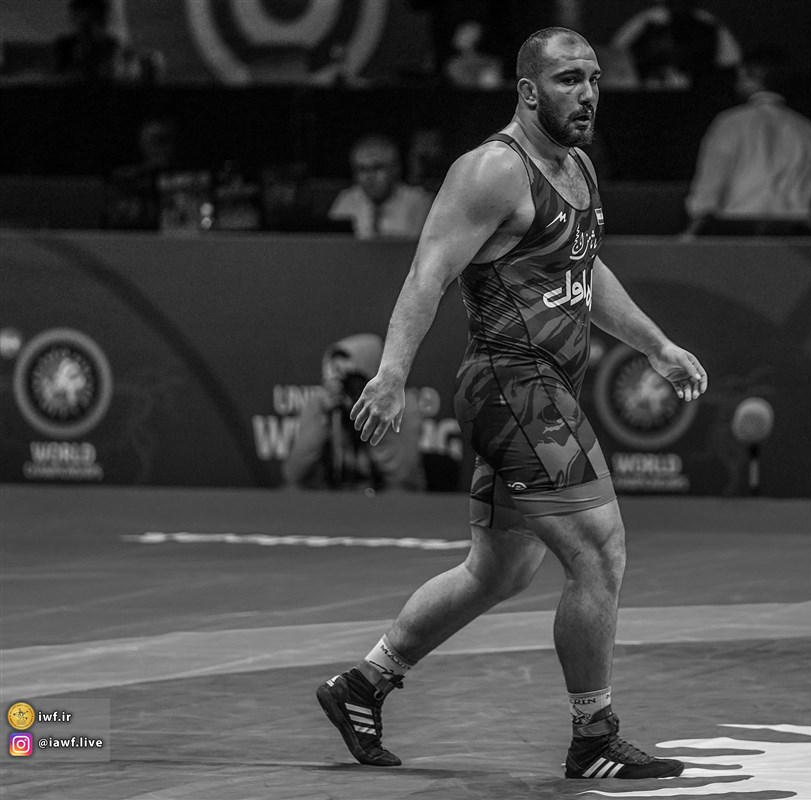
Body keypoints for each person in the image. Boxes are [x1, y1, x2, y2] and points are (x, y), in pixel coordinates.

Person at [315, 27, 707, 780]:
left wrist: (655, 345)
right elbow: (428, 273)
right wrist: (391, 373)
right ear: (528, 91)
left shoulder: (576, 167)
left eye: (593, 78)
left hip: (540, 387)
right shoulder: (493, 170)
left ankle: (364, 684)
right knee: (600, 550)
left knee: (499, 569)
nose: (587, 94)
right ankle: (593, 736)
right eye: (568, 80)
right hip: (515, 386)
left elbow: (583, 269)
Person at [683, 46, 811, 238]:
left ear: (749, 75)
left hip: (738, 240)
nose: (737, 82)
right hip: (795, 243)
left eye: (740, 75)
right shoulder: (810, 132)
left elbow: (706, 195)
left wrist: (690, 237)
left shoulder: (729, 124)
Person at [283, 334, 425, 493]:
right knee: (292, 491)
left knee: (399, 492)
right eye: (339, 377)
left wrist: (374, 417)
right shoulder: (321, 403)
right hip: (334, 494)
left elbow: (402, 476)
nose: (347, 387)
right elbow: (293, 474)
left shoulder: (401, 402)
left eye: (353, 379)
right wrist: (322, 418)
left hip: (382, 494)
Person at [610, 0, 740, 92]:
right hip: (646, 96)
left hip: (697, 98)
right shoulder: (646, 22)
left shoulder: (710, 26)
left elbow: (730, 64)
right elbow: (615, 61)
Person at [328, 134, 434, 240]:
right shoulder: (347, 200)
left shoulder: (419, 201)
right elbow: (331, 244)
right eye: (362, 169)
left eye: (377, 168)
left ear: (395, 169)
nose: (369, 176)